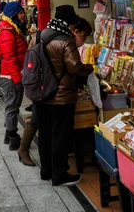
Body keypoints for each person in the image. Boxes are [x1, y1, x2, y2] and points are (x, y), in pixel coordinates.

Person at [17, 13, 93, 167]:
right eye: (83, 36)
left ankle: (43, 165)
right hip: (51, 90)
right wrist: (88, 68)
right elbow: (73, 67)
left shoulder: (41, 35)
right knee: (42, 123)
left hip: (40, 86)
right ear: (74, 29)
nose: (83, 41)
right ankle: (25, 151)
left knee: (42, 125)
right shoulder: (65, 41)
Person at [0, 1, 28, 151]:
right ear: (13, 15)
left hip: (12, 73)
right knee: (12, 106)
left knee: (12, 105)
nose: (23, 16)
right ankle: (13, 137)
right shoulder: (7, 32)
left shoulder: (11, 29)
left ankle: (9, 134)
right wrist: (17, 79)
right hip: (9, 76)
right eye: (20, 13)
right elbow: (10, 58)